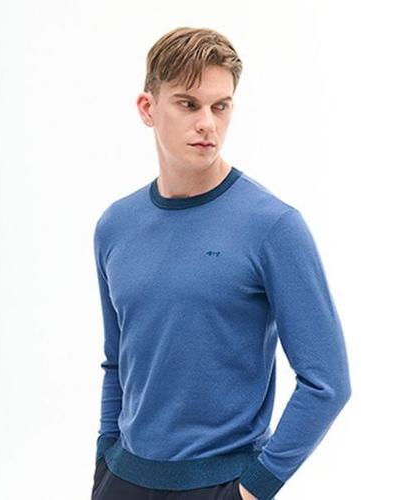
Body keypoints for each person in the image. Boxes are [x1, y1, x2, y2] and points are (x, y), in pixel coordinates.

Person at [90, 26, 352, 500]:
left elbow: (327, 383)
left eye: (221, 106)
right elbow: (117, 363)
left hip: (219, 485)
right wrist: (104, 462)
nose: (207, 123)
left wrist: (253, 489)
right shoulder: (116, 225)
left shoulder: (273, 227)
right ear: (148, 108)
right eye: (188, 104)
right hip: (122, 480)